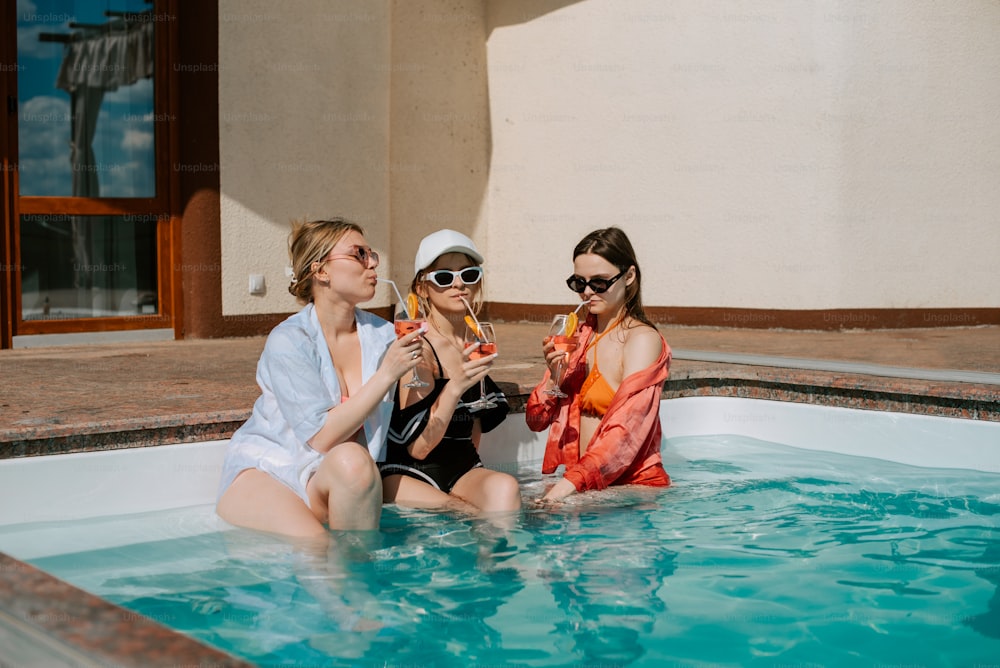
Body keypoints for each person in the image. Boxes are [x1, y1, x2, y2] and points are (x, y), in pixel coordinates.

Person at [216, 218, 425, 539]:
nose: (372, 263)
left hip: (335, 477)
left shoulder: (384, 335)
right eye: (358, 254)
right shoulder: (290, 340)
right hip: (272, 470)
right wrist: (387, 374)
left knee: (354, 464)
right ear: (321, 271)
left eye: (372, 254)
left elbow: (412, 410)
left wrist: (448, 374)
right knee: (318, 544)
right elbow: (322, 438)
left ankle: (359, 583)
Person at [379, 229, 522, 515]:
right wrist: (455, 385)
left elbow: (474, 429)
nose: (459, 284)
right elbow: (418, 448)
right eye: (444, 277)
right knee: (462, 512)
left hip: (460, 467)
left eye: (469, 275)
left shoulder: (474, 341)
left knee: (506, 490)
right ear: (422, 288)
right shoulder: (418, 347)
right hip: (410, 471)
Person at [526, 227, 671, 503]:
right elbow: (536, 421)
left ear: (629, 276)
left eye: (600, 283)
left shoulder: (641, 340)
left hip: (630, 488)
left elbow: (626, 432)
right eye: (579, 284)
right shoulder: (578, 338)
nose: (588, 292)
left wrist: (566, 487)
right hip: (583, 485)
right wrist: (555, 379)